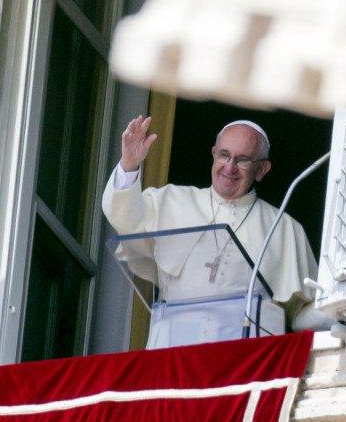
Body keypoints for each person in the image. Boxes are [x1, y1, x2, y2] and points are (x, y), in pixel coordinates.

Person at [102, 115, 324, 333]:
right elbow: (125, 219)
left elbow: (299, 314)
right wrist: (129, 165)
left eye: (243, 159)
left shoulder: (284, 228)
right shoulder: (172, 200)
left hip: (249, 357)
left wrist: (339, 309)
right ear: (214, 154)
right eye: (224, 155)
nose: (230, 167)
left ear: (262, 170)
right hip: (177, 348)